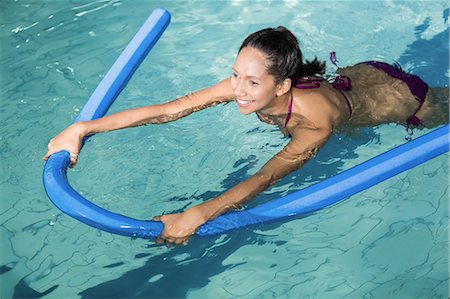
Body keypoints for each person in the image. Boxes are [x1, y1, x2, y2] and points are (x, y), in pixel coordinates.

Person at [43, 26, 449, 246]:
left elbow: (266, 177)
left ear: (282, 86)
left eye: (251, 82)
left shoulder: (315, 124)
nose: (237, 89)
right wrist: (82, 128)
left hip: (404, 100)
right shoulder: (250, 85)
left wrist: (199, 213)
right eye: (236, 74)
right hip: (360, 76)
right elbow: (171, 109)